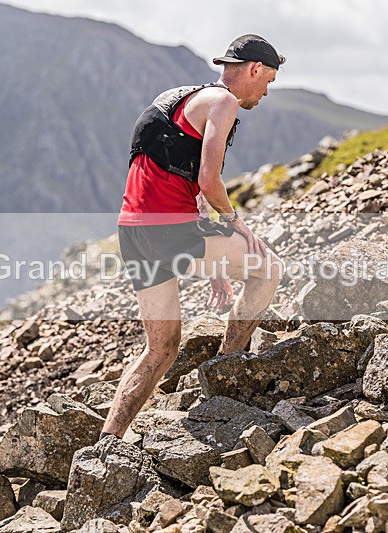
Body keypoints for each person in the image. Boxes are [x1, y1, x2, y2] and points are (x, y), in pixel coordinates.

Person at [101, 35, 286, 439]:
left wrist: (214, 264)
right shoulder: (224, 102)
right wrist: (235, 222)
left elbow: (180, 177)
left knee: (161, 349)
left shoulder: (177, 97)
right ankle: (224, 376)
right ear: (255, 69)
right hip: (172, 230)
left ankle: (106, 443)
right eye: (268, 80)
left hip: (133, 231)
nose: (266, 92)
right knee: (268, 268)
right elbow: (208, 180)